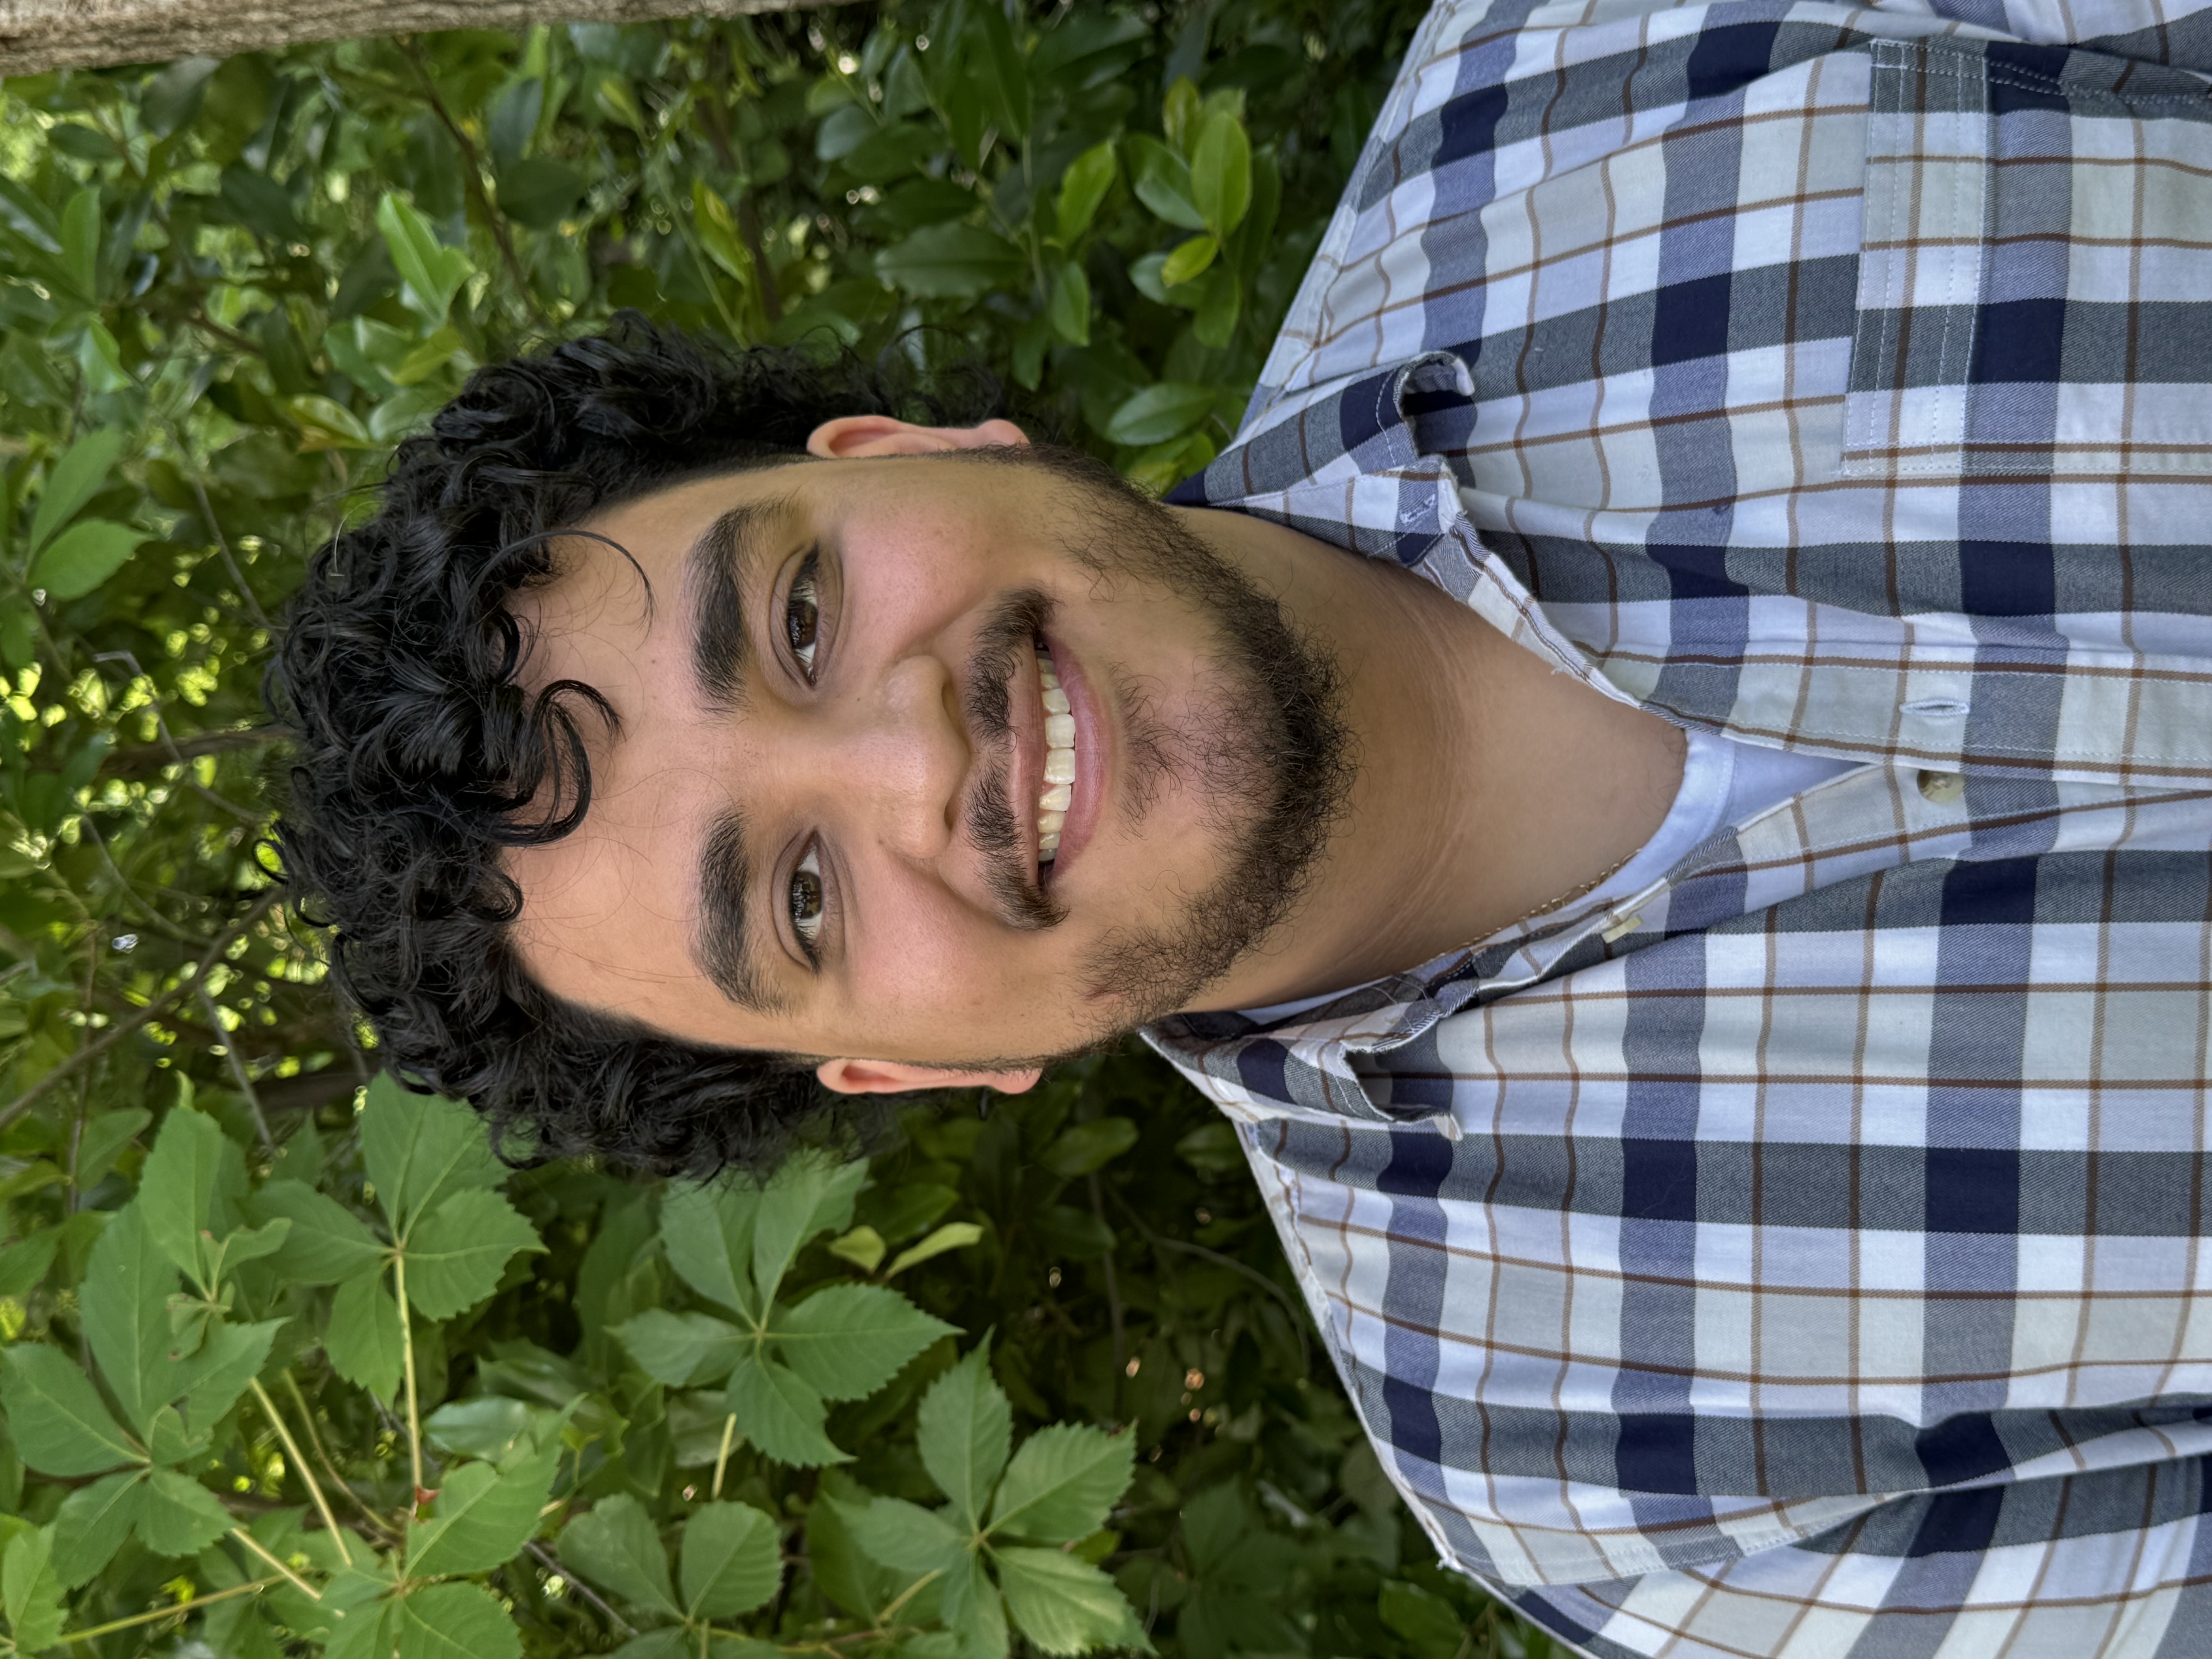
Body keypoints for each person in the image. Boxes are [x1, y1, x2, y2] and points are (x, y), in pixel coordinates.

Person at [275, 0, 2212, 1647]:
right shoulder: (1622, 1478)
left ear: (907, 452)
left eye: (798, 620)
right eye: (796, 899)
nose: (909, 765)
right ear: (904, 1068)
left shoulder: (1606, 61)